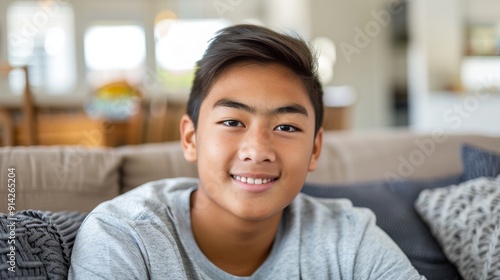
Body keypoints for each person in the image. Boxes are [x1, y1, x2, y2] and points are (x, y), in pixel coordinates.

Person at [69, 24, 425, 279]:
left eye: (286, 127)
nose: (258, 151)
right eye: (232, 122)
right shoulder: (123, 237)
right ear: (191, 138)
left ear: (315, 149)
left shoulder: (349, 236)